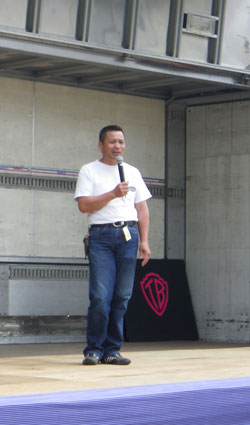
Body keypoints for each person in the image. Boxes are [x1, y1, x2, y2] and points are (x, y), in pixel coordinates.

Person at [74, 124, 151, 366]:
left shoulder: (132, 172)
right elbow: (84, 205)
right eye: (112, 142)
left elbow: (142, 209)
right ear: (101, 145)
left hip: (129, 235)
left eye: (121, 142)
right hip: (101, 236)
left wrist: (145, 241)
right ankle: (94, 349)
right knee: (100, 296)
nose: (117, 146)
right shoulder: (89, 170)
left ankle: (112, 350)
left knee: (122, 296)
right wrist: (112, 194)